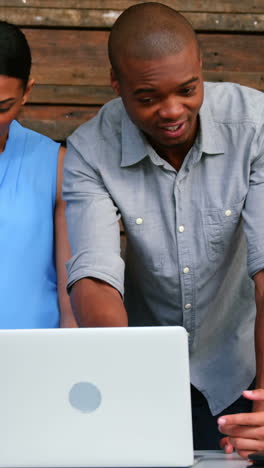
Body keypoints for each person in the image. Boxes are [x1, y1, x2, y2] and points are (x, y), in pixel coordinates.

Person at [63, 1, 264, 455]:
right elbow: (94, 275)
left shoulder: (255, 126)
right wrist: (126, 385)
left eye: (188, 90)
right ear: (117, 83)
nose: (172, 111)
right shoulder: (88, 150)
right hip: (143, 372)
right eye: (148, 98)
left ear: (199, 66)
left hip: (242, 365)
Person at [0, 21, 76, 328]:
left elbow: (70, 293)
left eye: (2, 107)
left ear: (26, 92)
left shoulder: (55, 165)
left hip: (36, 359)